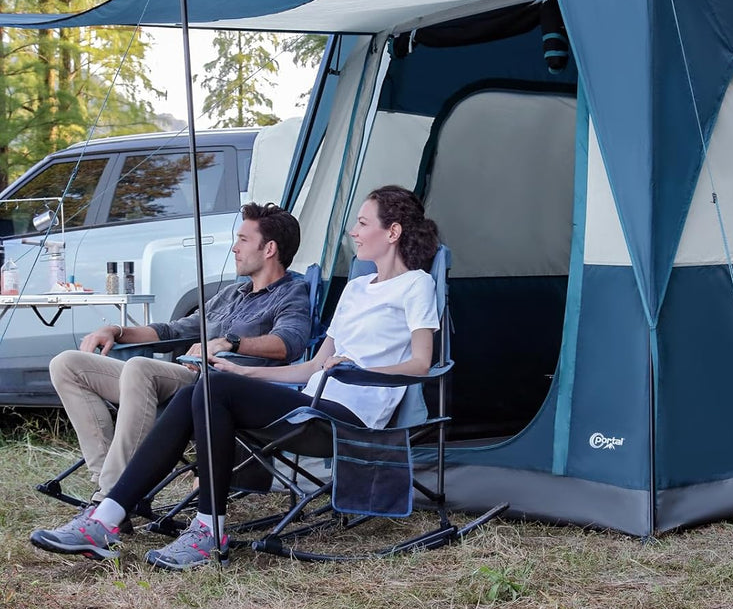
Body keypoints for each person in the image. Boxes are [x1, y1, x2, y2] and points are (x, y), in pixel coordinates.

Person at [30, 185, 441, 570]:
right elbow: (311, 367)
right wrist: (242, 371)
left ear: (393, 232)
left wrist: (357, 369)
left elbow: (421, 364)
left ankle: (185, 527)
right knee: (209, 385)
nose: (354, 231)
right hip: (313, 403)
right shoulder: (356, 289)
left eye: (363, 223)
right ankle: (113, 517)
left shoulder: (416, 285)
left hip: (350, 417)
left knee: (209, 387)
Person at [37, 202, 311, 528]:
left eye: (242, 240)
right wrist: (116, 330)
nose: (234, 248)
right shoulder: (232, 294)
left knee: (140, 367)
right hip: (180, 378)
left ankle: (107, 502)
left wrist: (230, 342)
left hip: (219, 387)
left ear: (269, 249)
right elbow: (173, 330)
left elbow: (289, 343)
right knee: (67, 364)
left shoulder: (291, 292)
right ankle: (108, 484)